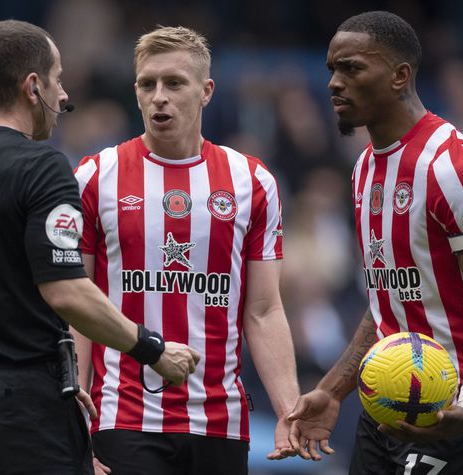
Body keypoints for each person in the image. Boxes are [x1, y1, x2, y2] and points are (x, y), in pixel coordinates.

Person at [0, 20, 199, 475]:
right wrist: (153, 349)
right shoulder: (43, 167)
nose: (64, 97)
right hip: (24, 410)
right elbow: (66, 292)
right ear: (33, 86)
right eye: (58, 80)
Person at [287, 11, 463, 475]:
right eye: (331, 68)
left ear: (399, 76)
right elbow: (387, 300)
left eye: (351, 68)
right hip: (385, 403)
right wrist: (333, 390)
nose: (334, 82)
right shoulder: (364, 169)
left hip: (454, 409)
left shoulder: (450, 167)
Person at [73, 26, 300, 475]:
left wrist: (289, 411)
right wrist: (73, 425)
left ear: (206, 91)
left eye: (174, 83)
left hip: (220, 422)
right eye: (147, 83)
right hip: (122, 418)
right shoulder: (96, 177)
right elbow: (76, 310)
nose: (159, 96)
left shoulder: (251, 181)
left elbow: (264, 309)